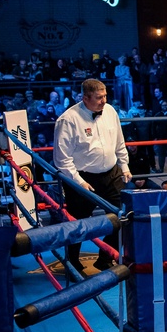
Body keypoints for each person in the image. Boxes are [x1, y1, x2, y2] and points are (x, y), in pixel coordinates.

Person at [52, 79, 132, 273]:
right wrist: (79, 182)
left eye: (105, 96)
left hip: (111, 174)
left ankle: (106, 258)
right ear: (85, 97)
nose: (104, 101)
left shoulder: (110, 111)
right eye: (99, 97)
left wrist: (124, 165)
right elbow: (61, 159)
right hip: (82, 178)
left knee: (123, 215)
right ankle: (72, 261)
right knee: (78, 223)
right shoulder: (68, 120)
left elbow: (119, 141)